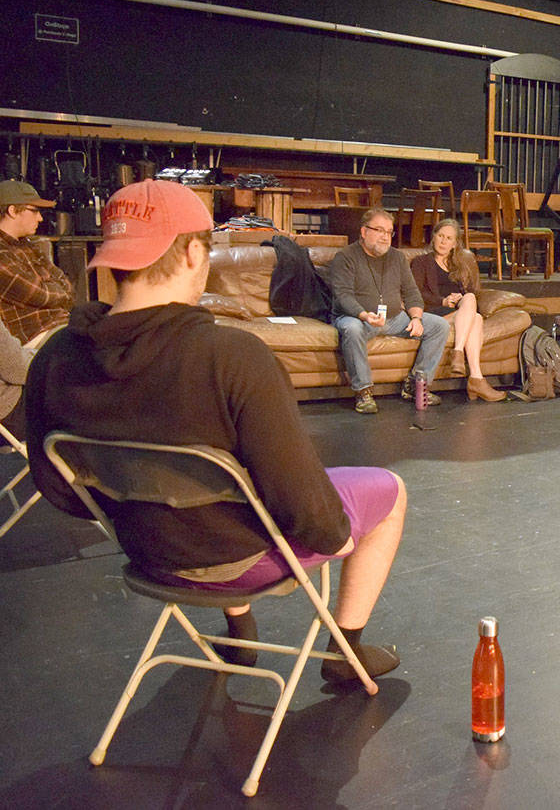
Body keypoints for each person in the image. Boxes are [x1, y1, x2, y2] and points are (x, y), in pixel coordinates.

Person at [25, 179, 405, 683]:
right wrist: (335, 535)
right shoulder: (232, 357)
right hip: (237, 561)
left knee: (216, 482)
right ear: (189, 255)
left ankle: (238, 634)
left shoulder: (55, 358)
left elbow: (61, 491)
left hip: (146, 554)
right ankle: (344, 654)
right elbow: (307, 509)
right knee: (389, 492)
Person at [330, 208, 450, 414]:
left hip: (394, 318)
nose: (385, 237)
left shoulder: (397, 258)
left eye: (389, 232)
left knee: (439, 326)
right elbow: (343, 296)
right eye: (379, 230)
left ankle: (416, 385)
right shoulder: (346, 257)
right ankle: (363, 392)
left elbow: (412, 293)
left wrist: (416, 318)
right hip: (357, 318)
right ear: (364, 231)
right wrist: (364, 315)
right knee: (352, 329)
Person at [410, 219, 504, 402]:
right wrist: (443, 300)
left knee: (471, 305)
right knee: (474, 315)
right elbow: (415, 293)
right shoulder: (421, 262)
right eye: (441, 236)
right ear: (434, 237)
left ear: (455, 244)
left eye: (449, 238)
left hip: (458, 315)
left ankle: (474, 375)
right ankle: (465, 363)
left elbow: (471, 292)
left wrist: (459, 298)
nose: (444, 242)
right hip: (433, 315)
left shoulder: (459, 264)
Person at [0, 179, 74, 343]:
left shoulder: (29, 245)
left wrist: (52, 288)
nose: (40, 218)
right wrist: (54, 289)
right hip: (36, 337)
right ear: (12, 211)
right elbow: (38, 293)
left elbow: (67, 285)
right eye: (34, 211)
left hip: (62, 326)